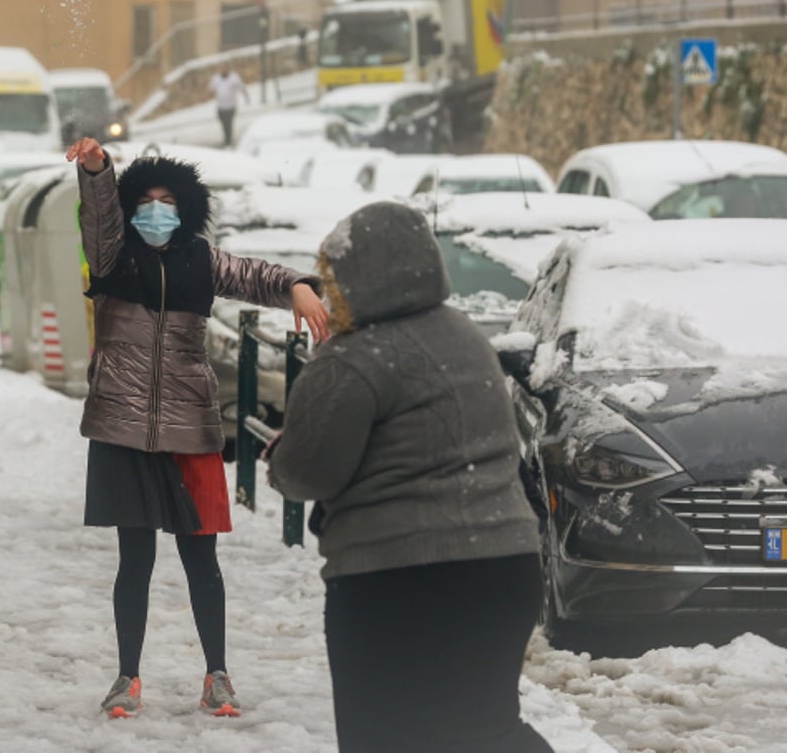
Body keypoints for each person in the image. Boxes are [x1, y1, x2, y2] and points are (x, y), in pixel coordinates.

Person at [265, 202, 553, 753]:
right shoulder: (464, 334)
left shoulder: (352, 359)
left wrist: (280, 459)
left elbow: (310, 473)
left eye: (333, 281)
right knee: (485, 730)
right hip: (504, 570)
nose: (330, 295)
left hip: (398, 582)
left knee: (385, 735)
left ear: (362, 279)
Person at [64, 136, 331, 719]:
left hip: (190, 428)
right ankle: (126, 678)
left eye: (168, 200)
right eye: (146, 200)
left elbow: (257, 275)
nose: (155, 210)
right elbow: (100, 210)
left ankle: (217, 676)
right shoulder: (112, 254)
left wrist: (298, 286)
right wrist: (98, 168)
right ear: (132, 205)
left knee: (201, 561)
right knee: (133, 561)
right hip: (123, 429)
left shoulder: (201, 260)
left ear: (185, 209)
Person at [207, 63, 248, 148]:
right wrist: (212, 94)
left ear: (227, 69)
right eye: (221, 69)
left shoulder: (234, 77)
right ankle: (226, 139)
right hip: (221, 106)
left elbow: (241, 87)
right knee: (223, 123)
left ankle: (228, 142)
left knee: (229, 123)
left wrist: (246, 97)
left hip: (231, 106)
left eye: (224, 69)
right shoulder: (216, 78)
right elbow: (211, 89)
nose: (223, 71)